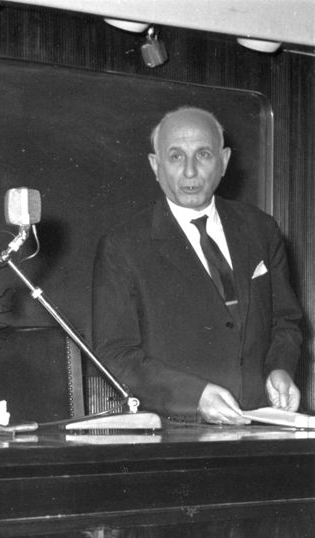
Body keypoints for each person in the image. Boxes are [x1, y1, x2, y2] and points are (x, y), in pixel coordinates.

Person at [92, 106, 303, 424]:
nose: (190, 172)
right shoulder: (122, 245)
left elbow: (285, 323)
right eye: (176, 156)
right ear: (155, 165)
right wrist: (195, 396)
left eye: (203, 154)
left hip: (263, 424)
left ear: (224, 161)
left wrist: (280, 369)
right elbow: (116, 354)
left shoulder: (262, 229)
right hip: (176, 432)